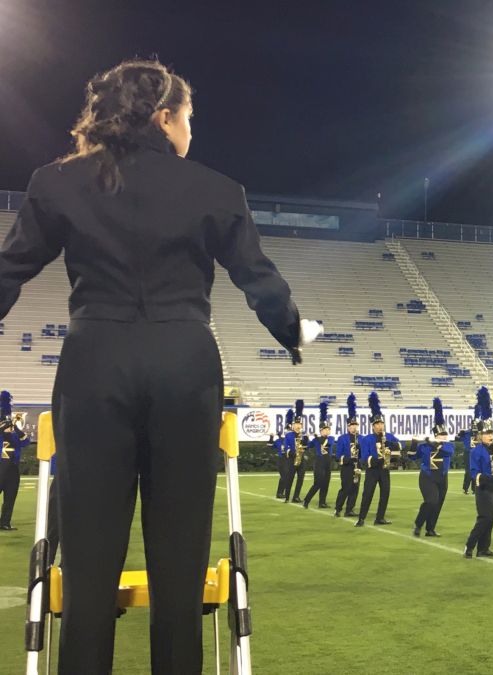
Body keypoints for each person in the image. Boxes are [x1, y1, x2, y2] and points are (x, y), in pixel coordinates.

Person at [0, 59, 317, 673]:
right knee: (180, 574)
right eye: (189, 118)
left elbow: (9, 270)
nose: (192, 131)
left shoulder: (55, 182)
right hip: (184, 369)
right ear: (165, 116)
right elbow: (261, 283)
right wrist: (293, 330)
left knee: (88, 573)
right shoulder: (216, 189)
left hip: (94, 367)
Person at [465, 387, 493, 558]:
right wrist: (490, 477)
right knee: (484, 518)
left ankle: (483, 549)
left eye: (491, 433)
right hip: (483, 488)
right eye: (487, 433)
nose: (490, 436)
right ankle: (469, 546)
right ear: (480, 435)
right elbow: (474, 473)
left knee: (492, 518)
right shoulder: (476, 451)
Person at [357, 392, 399, 527]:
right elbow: (364, 458)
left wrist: (392, 445)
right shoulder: (367, 439)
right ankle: (361, 518)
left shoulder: (389, 436)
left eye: (381, 423)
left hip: (385, 470)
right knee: (367, 494)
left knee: (385, 493)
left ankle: (380, 518)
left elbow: (399, 446)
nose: (380, 426)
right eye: (377, 424)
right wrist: (377, 461)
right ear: (373, 426)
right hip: (372, 471)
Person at [412, 398, 453, 537]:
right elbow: (411, 456)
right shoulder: (424, 446)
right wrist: (413, 442)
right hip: (427, 477)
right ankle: (418, 524)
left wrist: (431, 442)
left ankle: (430, 529)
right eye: (441, 435)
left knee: (438, 504)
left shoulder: (448, 445)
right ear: (436, 435)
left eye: (445, 435)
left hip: (442, 477)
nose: (444, 437)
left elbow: (447, 452)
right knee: (431, 501)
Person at [0, 394, 30, 531]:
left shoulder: (14, 436)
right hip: (1, 468)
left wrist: (16, 429)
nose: (9, 428)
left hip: (12, 469)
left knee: (10, 498)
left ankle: (5, 523)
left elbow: (26, 441)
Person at [334, 394, 362, 518]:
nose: (354, 427)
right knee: (345, 488)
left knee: (355, 488)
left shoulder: (361, 438)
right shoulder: (342, 438)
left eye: (355, 425)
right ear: (348, 426)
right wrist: (347, 460)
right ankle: (338, 508)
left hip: (357, 467)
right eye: (352, 425)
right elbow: (337, 455)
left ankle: (349, 509)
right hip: (347, 467)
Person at [303, 402, 335, 509]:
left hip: (327, 461)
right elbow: (307, 446)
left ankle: (322, 502)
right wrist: (306, 438)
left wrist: (317, 438)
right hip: (319, 462)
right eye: (325, 429)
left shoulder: (330, 438)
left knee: (326, 483)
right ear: (321, 430)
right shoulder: (316, 440)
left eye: (328, 429)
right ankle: (306, 500)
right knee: (318, 483)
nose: (328, 431)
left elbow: (326, 443)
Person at [282, 400, 307, 503]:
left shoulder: (303, 435)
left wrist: (306, 442)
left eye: (300, 424)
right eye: (296, 423)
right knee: (290, 479)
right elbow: (285, 447)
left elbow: (306, 447)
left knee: (300, 479)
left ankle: (296, 496)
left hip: (301, 460)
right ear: (293, 425)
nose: (298, 425)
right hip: (291, 460)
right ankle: (287, 497)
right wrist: (292, 452)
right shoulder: (289, 435)